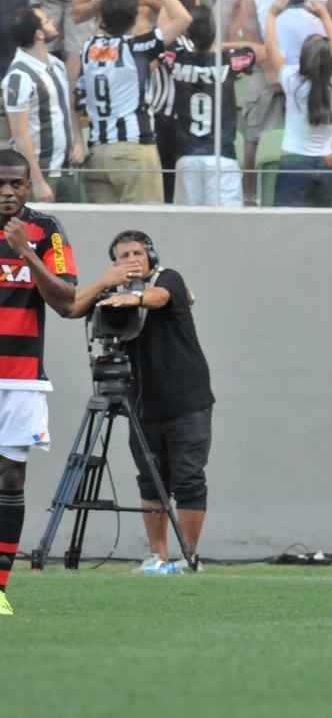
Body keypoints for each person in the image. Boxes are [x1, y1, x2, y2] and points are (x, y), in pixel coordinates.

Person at [66, 231, 214, 574]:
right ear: (114, 263)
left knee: (189, 478)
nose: (132, 258)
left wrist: (134, 299)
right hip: (142, 403)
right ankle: (157, 556)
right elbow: (73, 307)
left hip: (186, 400)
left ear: (151, 255)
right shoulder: (111, 290)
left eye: (138, 252)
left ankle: (190, 558)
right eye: (123, 255)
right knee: (150, 480)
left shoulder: (169, 278)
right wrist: (107, 285)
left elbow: (161, 297)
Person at [0, 148, 77, 617]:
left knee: (10, 477)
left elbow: (68, 301)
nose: (7, 192)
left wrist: (25, 253)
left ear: (29, 186)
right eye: (0, 183)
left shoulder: (47, 231)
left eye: (16, 184)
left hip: (21, 377)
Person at [237, 0, 332, 205]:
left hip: (319, 73)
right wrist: (265, 61)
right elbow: (248, 21)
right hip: (272, 69)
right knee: (255, 134)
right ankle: (249, 198)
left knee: (329, 130)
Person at [80, 0, 193, 204]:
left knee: (105, 234)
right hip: (133, 150)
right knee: (142, 230)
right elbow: (183, 19)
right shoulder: (137, 47)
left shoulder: (88, 48)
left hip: (97, 151)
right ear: (133, 19)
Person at [169, 6, 258, 207]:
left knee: (188, 228)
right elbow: (259, 51)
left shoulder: (176, 58)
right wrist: (220, 44)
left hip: (187, 156)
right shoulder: (229, 60)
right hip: (221, 156)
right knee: (226, 229)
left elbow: (164, 46)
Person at [265, 0, 332, 207]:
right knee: (321, 232)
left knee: (287, 230)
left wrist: (272, 15)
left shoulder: (292, 80)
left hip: (293, 162)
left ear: (302, 58)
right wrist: (324, 15)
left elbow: (272, 47)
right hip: (326, 163)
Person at [3, 6, 84, 203]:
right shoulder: (18, 76)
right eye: (47, 21)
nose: (52, 23)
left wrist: (78, 140)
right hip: (41, 171)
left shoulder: (55, 64)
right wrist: (37, 181)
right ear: (39, 34)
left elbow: (67, 104)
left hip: (66, 167)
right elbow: (19, 133)